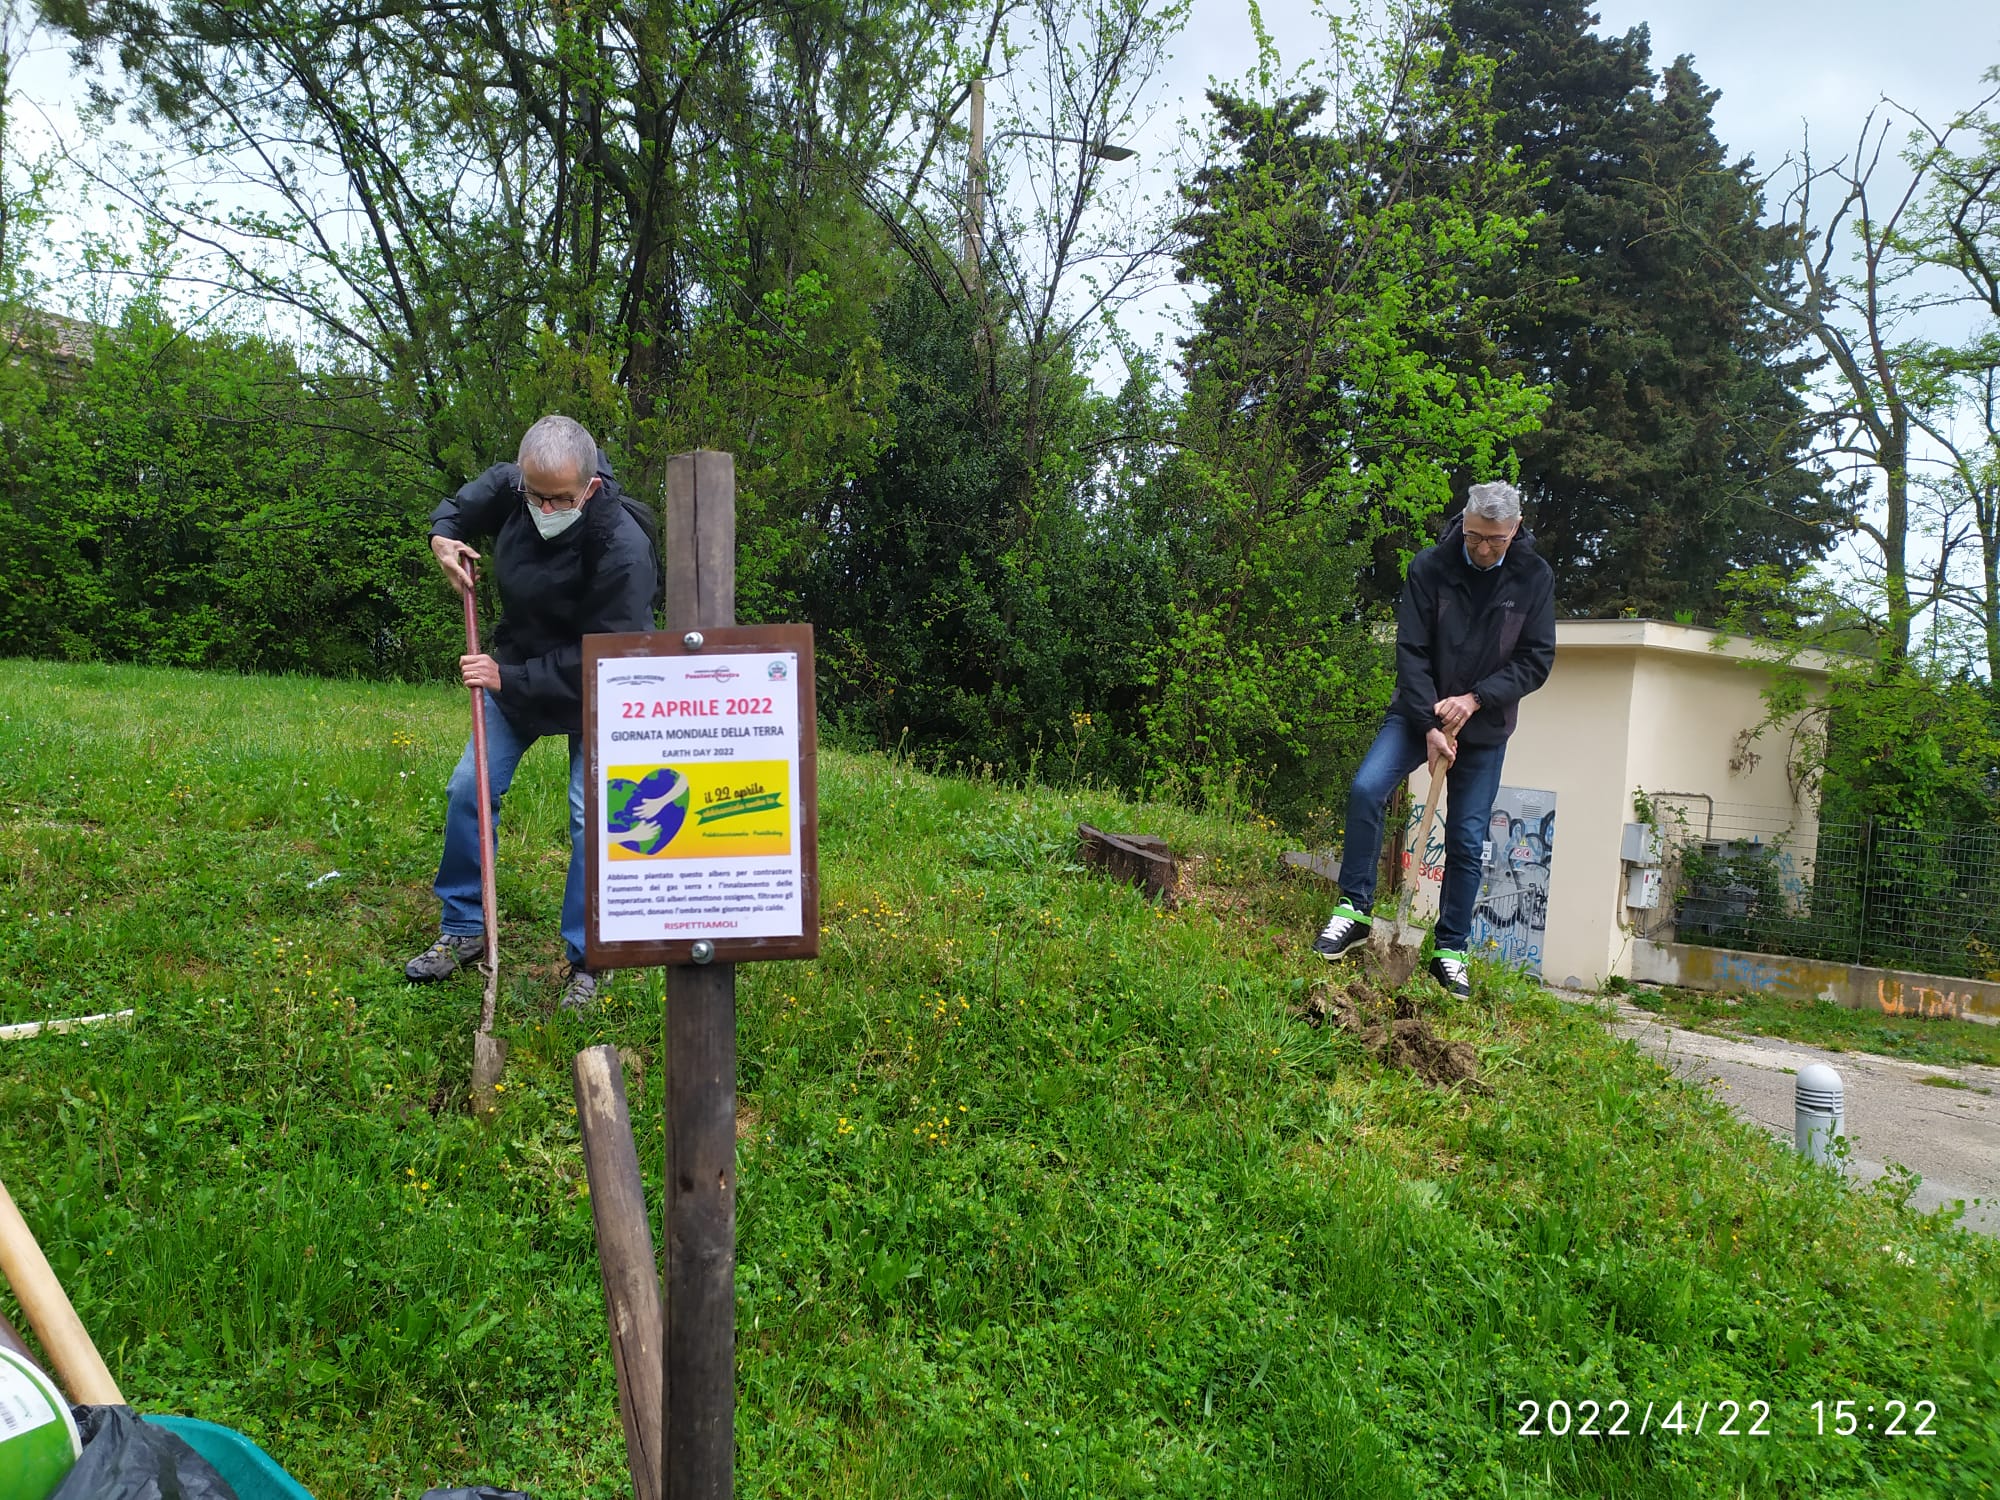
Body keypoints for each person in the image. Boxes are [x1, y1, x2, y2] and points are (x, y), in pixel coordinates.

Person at [404, 414, 659, 1009]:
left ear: (589, 488)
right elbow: (458, 509)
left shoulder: (623, 545)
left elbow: (607, 652)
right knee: (469, 789)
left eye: (560, 499)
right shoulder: (514, 487)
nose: (545, 508)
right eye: (535, 495)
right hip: (516, 671)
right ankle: (464, 928)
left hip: (598, 686)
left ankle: (588, 960)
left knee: (592, 818)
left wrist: (506, 675)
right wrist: (442, 537)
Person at [1311, 480, 1556, 998]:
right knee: (1366, 790)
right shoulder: (1431, 566)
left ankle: (1450, 950)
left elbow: (1536, 660)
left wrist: (1474, 700)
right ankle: (1353, 911)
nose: (1482, 548)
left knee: (1468, 839)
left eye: (1494, 539)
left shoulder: (1534, 577)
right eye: (1474, 537)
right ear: (1463, 522)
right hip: (1414, 715)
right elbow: (1412, 649)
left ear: (1514, 530)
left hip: (1483, 729)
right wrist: (1427, 722)